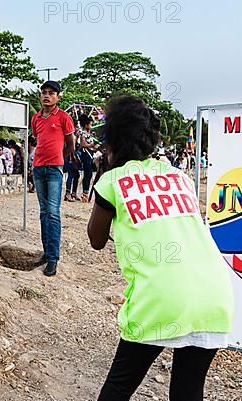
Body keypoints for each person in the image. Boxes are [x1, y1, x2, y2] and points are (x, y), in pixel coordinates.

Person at [88, 95, 233, 401]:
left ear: (111, 141)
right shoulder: (178, 177)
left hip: (161, 299)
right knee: (187, 392)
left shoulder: (111, 181)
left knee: (119, 386)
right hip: (213, 294)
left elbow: (96, 240)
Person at [30, 81, 75, 276]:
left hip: (55, 169)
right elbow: (37, 140)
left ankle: (53, 258)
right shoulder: (36, 118)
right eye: (44, 93)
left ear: (58, 96)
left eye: (51, 93)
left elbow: (71, 145)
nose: (47, 96)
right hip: (38, 168)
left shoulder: (64, 117)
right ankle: (46, 253)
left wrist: (58, 158)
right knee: (43, 212)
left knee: (53, 212)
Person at [78, 114, 96, 202]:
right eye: (90, 124)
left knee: (89, 174)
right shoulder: (83, 133)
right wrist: (92, 145)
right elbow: (83, 144)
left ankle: (86, 193)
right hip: (86, 154)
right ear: (86, 125)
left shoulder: (90, 133)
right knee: (87, 173)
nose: (91, 126)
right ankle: (85, 193)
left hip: (91, 153)